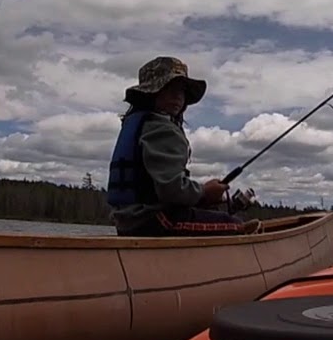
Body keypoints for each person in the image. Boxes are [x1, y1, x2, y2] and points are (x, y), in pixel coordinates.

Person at [107, 56, 261, 236]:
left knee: (213, 217)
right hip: (154, 221)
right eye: (168, 88)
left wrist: (200, 197)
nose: (178, 96)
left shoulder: (138, 124)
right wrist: (204, 192)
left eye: (182, 90)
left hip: (128, 222)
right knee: (236, 225)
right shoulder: (162, 129)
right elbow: (171, 191)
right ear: (151, 93)